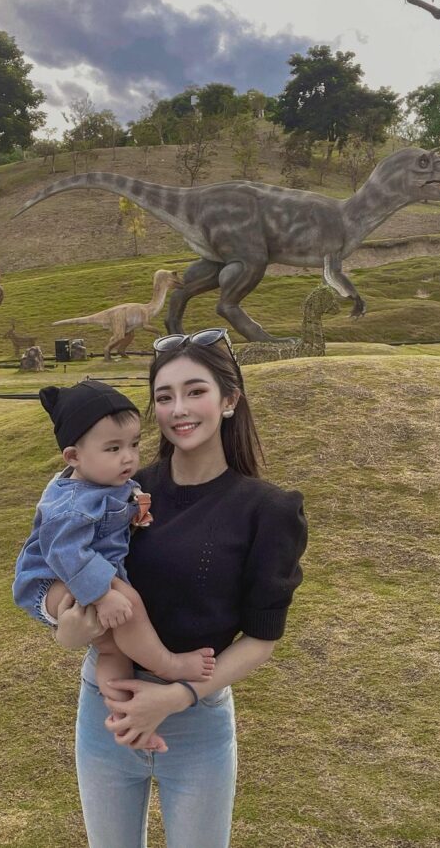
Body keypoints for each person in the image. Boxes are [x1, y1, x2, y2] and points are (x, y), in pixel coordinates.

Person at [45, 329, 308, 847]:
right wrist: (64, 627)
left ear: (229, 400)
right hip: (106, 706)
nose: (178, 409)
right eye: (164, 396)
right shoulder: (118, 490)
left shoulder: (267, 510)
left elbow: (261, 639)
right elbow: (55, 564)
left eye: (195, 391)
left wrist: (175, 696)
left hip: (195, 716)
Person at [13, 380, 217, 750]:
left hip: (80, 572)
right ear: (73, 457)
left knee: (113, 648)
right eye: (114, 448)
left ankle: (128, 720)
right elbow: (64, 553)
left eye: (134, 445)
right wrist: (103, 595)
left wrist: (135, 517)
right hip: (53, 581)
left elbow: (113, 516)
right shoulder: (71, 504)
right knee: (129, 604)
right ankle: (168, 665)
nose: (128, 457)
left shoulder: (105, 480)